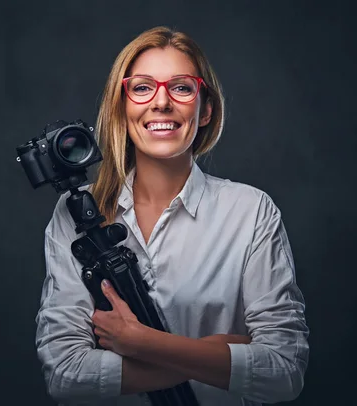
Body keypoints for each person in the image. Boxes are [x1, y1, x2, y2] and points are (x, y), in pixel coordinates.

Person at [35, 26, 310, 406]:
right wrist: (214, 356)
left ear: (206, 108)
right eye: (143, 87)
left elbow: (283, 371)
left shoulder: (250, 212)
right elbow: (65, 375)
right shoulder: (74, 217)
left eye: (181, 87)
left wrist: (142, 343)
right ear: (122, 105)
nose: (161, 102)